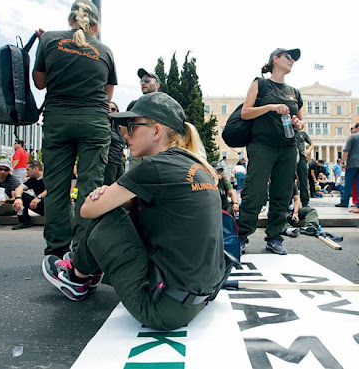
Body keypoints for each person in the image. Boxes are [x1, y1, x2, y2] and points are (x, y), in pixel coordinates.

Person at [42, 92, 230, 330]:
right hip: (198, 297)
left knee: (108, 214)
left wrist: (105, 196)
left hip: (161, 309)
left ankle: (77, 277)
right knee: (129, 207)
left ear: (156, 130)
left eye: (132, 126)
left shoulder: (155, 166)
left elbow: (88, 210)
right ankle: (85, 267)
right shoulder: (197, 166)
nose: (125, 134)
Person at [33, 0, 117, 257]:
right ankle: (82, 252)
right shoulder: (104, 50)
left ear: (70, 20)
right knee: (89, 187)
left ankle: (56, 251)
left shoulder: (49, 40)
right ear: (96, 25)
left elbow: (39, 83)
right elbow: (107, 94)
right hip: (93, 122)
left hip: (58, 120)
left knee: (57, 188)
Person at [238, 48, 304, 255]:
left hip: (288, 146)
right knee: (254, 192)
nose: (292, 60)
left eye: (294, 58)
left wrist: (297, 123)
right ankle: (241, 236)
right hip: (262, 145)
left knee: (282, 194)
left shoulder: (295, 92)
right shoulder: (261, 83)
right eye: (288, 56)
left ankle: (274, 236)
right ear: (275, 59)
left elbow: (301, 122)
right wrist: (271, 107)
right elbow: (246, 113)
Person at [13, 160, 46, 230]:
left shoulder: (48, 178)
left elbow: (51, 189)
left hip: (51, 205)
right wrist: (18, 198)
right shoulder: (32, 180)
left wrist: (38, 197)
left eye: (28, 170)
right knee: (23, 195)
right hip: (40, 206)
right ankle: (25, 221)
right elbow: (20, 188)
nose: (26, 172)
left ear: (36, 169)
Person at [335, 122, 359, 208]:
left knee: (348, 183)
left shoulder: (352, 137)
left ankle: (344, 201)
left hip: (352, 163)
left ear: (357, 128)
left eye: (353, 128)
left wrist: (342, 162)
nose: (351, 130)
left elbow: (346, 151)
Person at [103, 101, 126, 185]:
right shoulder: (104, 126)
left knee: (122, 185)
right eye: (108, 109)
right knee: (109, 185)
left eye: (113, 109)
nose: (110, 111)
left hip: (119, 160)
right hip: (109, 160)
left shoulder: (119, 128)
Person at [296, 130, 314, 206]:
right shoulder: (287, 131)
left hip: (301, 157)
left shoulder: (302, 133)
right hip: (290, 157)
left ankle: (305, 201)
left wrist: (308, 151)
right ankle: (288, 201)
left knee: (303, 179)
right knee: (289, 180)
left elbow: (312, 144)